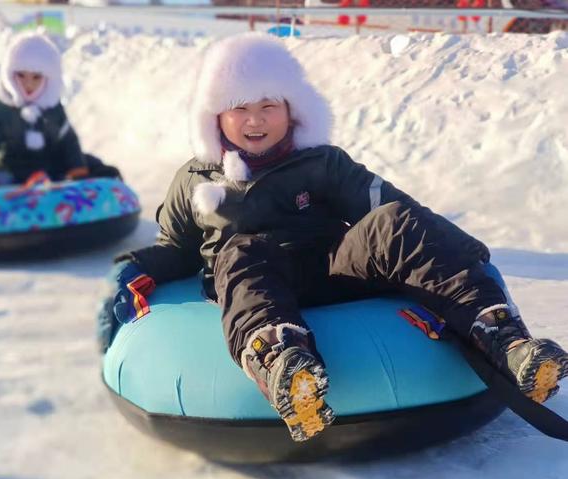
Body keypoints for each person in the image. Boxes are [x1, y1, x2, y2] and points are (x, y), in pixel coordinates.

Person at [99, 33, 567, 442]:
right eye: (239, 108)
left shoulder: (320, 162)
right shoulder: (193, 178)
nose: (255, 120)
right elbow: (176, 247)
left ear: (291, 110)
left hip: (330, 264)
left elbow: (388, 206)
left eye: (268, 106)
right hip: (254, 281)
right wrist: (132, 269)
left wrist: (464, 252)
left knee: (393, 222)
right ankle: (284, 363)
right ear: (216, 117)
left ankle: (501, 336)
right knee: (242, 248)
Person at [0, 32, 119, 190]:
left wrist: (78, 168)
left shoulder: (52, 108)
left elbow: (68, 141)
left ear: (48, 78)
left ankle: (106, 192)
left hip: (46, 167)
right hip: (9, 169)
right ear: (10, 75)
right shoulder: (2, 108)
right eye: (21, 75)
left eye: (36, 77)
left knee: (91, 163)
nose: (28, 84)